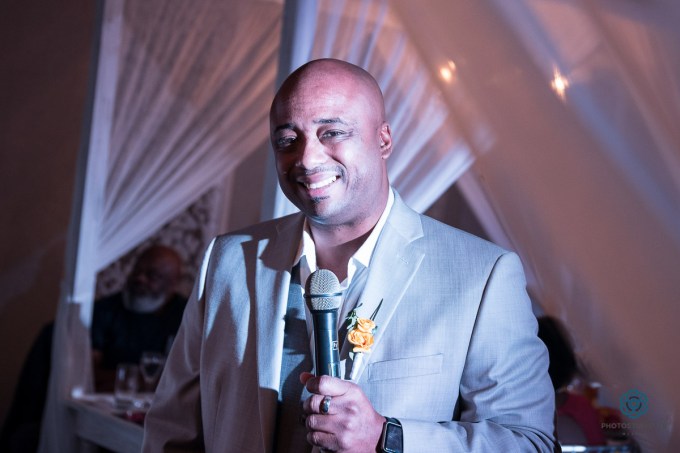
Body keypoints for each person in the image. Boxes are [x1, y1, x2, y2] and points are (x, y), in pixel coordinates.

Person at [142, 59, 555, 452]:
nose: (307, 158)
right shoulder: (228, 260)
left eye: (332, 132)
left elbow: (528, 441)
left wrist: (387, 438)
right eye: (287, 140)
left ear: (383, 140)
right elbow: (172, 432)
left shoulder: (482, 275)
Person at [91, 244, 187, 391]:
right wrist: (140, 380)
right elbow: (86, 372)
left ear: (172, 283)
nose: (140, 278)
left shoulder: (188, 316)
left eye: (152, 276)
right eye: (137, 270)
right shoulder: (104, 310)